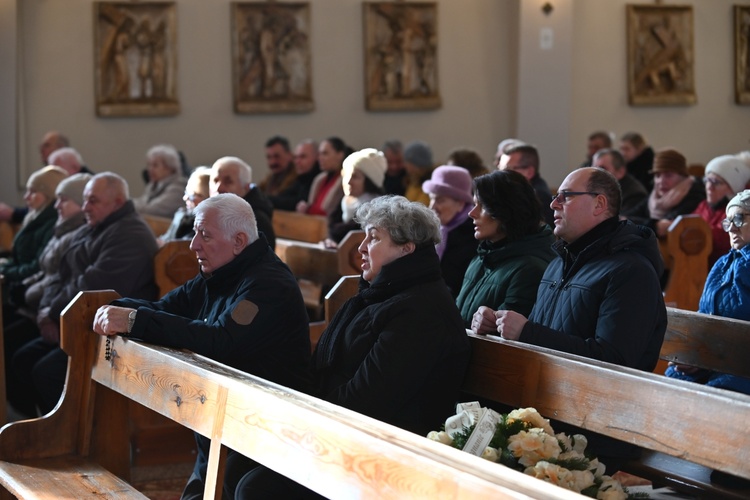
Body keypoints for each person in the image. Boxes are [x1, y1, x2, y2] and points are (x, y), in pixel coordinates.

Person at [234, 195, 471, 498]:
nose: (360, 248)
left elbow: (371, 398)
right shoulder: (378, 295)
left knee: (256, 489)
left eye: (373, 238)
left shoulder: (421, 312)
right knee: (240, 460)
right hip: (348, 431)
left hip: (389, 449)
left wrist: (305, 426)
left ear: (406, 248)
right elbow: (323, 369)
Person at [91, 193, 311, 499]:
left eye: (205, 235)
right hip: (221, 420)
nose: (193, 245)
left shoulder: (268, 284)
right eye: (195, 233)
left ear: (238, 241)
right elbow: (166, 308)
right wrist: (109, 307)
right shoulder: (220, 272)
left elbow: (221, 341)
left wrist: (131, 320)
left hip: (264, 430)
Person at [487, 167, 666, 470]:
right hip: (549, 410)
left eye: (565, 197)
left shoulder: (630, 272)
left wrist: (527, 332)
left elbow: (614, 361)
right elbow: (548, 329)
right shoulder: (560, 263)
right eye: (555, 197)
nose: (553, 204)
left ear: (599, 204)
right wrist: (497, 325)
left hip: (598, 429)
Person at [8, 172, 159, 418]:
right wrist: (47, 313)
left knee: (45, 372)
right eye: (85, 200)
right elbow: (59, 275)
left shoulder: (129, 235)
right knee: (23, 359)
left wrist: (54, 313)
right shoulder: (93, 227)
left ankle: (74, 437)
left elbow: (92, 287)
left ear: (118, 203)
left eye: (93, 201)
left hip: (107, 333)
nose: (85, 207)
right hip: (76, 319)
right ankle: (43, 427)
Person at [3, 174, 90, 416]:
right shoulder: (62, 229)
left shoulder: (76, 234)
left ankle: (38, 422)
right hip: (41, 308)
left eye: (64, 200)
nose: (56, 205)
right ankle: (30, 420)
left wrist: (38, 304)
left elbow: (68, 281)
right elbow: (46, 271)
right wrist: (28, 289)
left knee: (23, 358)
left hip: (54, 315)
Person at [666, 189, 750, 394]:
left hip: (742, 366)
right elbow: (704, 316)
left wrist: (710, 358)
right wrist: (693, 357)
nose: (730, 228)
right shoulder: (722, 264)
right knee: (672, 379)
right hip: (714, 361)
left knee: (716, 392)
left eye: (738, 219)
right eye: (727, 222)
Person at [457, 170, 555, 328]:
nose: (471, 213)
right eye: (474, 204)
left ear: (506, 210)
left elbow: (506, 339)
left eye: (482, 206)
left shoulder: (530, 269)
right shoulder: (482, 257)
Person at [1, 166, 68, 319]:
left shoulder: (52, 224)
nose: (26, 197)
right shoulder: (35, 218)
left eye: (33, 191)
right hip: (22, 292)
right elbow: (20, 258)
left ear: (49, 195)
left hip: (32, 301)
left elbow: (36, 266)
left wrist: (5, 271)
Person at [421, 165, 478, 298]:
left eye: (440, 200)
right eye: (431, 198)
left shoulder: (474, 236)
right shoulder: (436, 231)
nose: (432, 206)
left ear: (460, 203)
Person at [628, 148, 705, 239]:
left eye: (668, 175)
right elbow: (627, 216)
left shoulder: (695, 195)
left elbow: (667, 227)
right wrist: (654, 225)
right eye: (657, 175)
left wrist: (652, 225)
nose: (661, 181)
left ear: (683, 176)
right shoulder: (655, 197)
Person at [692, 154, 750, 266]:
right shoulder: (704, 205)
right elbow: (689, 223)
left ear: (733, 188)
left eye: (716, 182)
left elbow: (721, 238)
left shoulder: (737, 212)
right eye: (707, 180)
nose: (709, 186)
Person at [210, 156, 275, 250]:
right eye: (215, 181)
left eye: (228, 182)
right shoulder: (210, 213)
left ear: (246, 187)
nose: (218, 188)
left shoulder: (257, 221)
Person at [325, 148, 386, 246]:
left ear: (368, 182)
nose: (348, 181)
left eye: (355, 176)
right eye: (346, 175)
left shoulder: (375, 210)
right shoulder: (344, 202)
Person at [498, 143, 554, 227]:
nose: (499, 175)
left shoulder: (537, 197)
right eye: (500, 169)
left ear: (529, 172)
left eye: (507, 169)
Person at [296, 137, 349, 219]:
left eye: (325, 153)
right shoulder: (320, 179)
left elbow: (332, 215)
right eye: (319, 154)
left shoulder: (347, 180)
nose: (320, 158)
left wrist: (308, 209)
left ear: (340, 155)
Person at [157, 166, 211, 246]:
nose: (185, 198)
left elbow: (185, 246)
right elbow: (166, 238)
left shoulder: (203, 224)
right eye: (186, 192)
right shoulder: (181, 214)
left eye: (193, 195)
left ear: (208, 198)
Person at [133, 144, 188, 218]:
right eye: (149, 165)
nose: (150, 169)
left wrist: (125, 204)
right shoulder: (153, 186)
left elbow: (151, 210)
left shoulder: (178, 188)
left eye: (155, 165)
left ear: (170, 168)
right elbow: (141, 203)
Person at [592, 148, 647, 216]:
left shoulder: (635, 195)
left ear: (620, 172)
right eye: (594, 169)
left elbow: (623, 223)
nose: (596, 174)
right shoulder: (594, 188)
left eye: (602, 169)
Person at [269, 139, 321, 211]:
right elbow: (283, 197)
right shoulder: (301, 179)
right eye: (296, 157)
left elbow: (296, 202)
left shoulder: (320, 180)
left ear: (317, 157)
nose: (297, 161)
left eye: (303, 157)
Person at [402, 140, 433, 205]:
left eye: (407, 162)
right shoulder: (413, 181)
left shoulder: (428, 188)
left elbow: (420, 208)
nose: (405, 165)